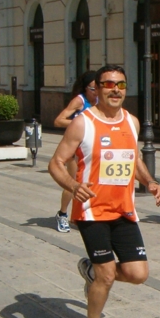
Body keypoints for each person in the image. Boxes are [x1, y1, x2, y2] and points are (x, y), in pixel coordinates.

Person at [49, 64, 160, 318]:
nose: (115, 90)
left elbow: (134, 157)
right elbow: (56, 163)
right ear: (97, 89)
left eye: (121, 85)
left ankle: (89, 270)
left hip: (124, 210)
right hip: (91, 211)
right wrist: (74, 186)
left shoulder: (132, 122)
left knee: (138, 274)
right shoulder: (82, 122)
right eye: (109, 84)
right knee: (107, 276)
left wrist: (149, 181)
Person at [53, 71, 98, 233]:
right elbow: (58, 120)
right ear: (85, 89)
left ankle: (82, 215)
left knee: (92, 182)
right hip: (75, 149)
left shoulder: (101, 101)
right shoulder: (80, 101)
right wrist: (80, 124)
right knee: (73, 183)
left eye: (98, 88)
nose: (96, 92)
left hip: (92, 149)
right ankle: (63, 213)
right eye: (93, 89)